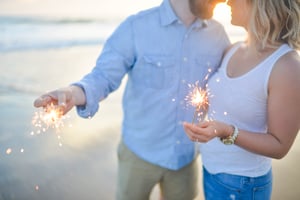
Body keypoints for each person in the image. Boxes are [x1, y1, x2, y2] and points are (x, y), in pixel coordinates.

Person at [34, 0, 230, 199]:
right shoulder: (137, 27)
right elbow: (103, 76)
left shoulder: (219, 35)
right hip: (139, 154)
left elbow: (231, 86)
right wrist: (75, 92)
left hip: (186, 158)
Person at [183, 0, 300, 199]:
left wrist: (227, 131)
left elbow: (280, 146)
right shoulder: (233, 49)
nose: (227, 2)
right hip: (211, 170)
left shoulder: (287, 67)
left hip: (242, 185)